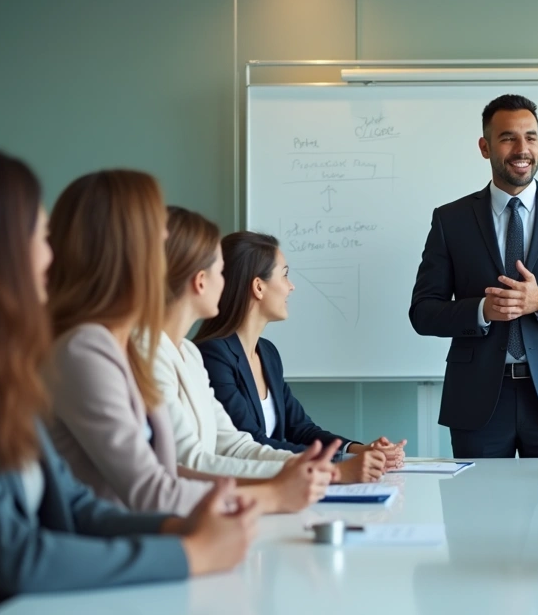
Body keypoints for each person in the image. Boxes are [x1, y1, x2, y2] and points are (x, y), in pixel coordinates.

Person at [0, 147, 257, 614]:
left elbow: (72, 503)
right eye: (42, 235)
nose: (50, 256)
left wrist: (177, 529)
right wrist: (190, 554)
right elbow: (16, 553)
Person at [44, 170, 336, 515]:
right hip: (129, 546)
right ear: (126, 250)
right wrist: (273, 494)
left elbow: (197, 460)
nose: (167, 250)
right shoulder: (89, 349)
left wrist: (293, 471)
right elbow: (158, 486)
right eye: (158, 235)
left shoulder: (148, 348)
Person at [409, 94, 538, 458]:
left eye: (532, 137)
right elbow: (423, 312)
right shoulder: (450, 220)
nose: (522, 148)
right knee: (477, 513)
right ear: (485, 147)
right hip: (477, 401)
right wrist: (480, 311)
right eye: (508, 137)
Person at [196, 231, 401, 482]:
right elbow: (249, 442)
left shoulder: (267, 353)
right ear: (258, 286)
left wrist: (358, 450)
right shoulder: (212, 355)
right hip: (244, 489)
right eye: (284, 275)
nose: (291, 286)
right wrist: (340, 464)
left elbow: (300, 429)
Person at [159, 206, 310, 478]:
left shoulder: (190, 355)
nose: (227, 283)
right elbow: (189, 462)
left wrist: (320, 465)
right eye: (220, 272)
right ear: (200, 281)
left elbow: (234, 444)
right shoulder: (157, 355)